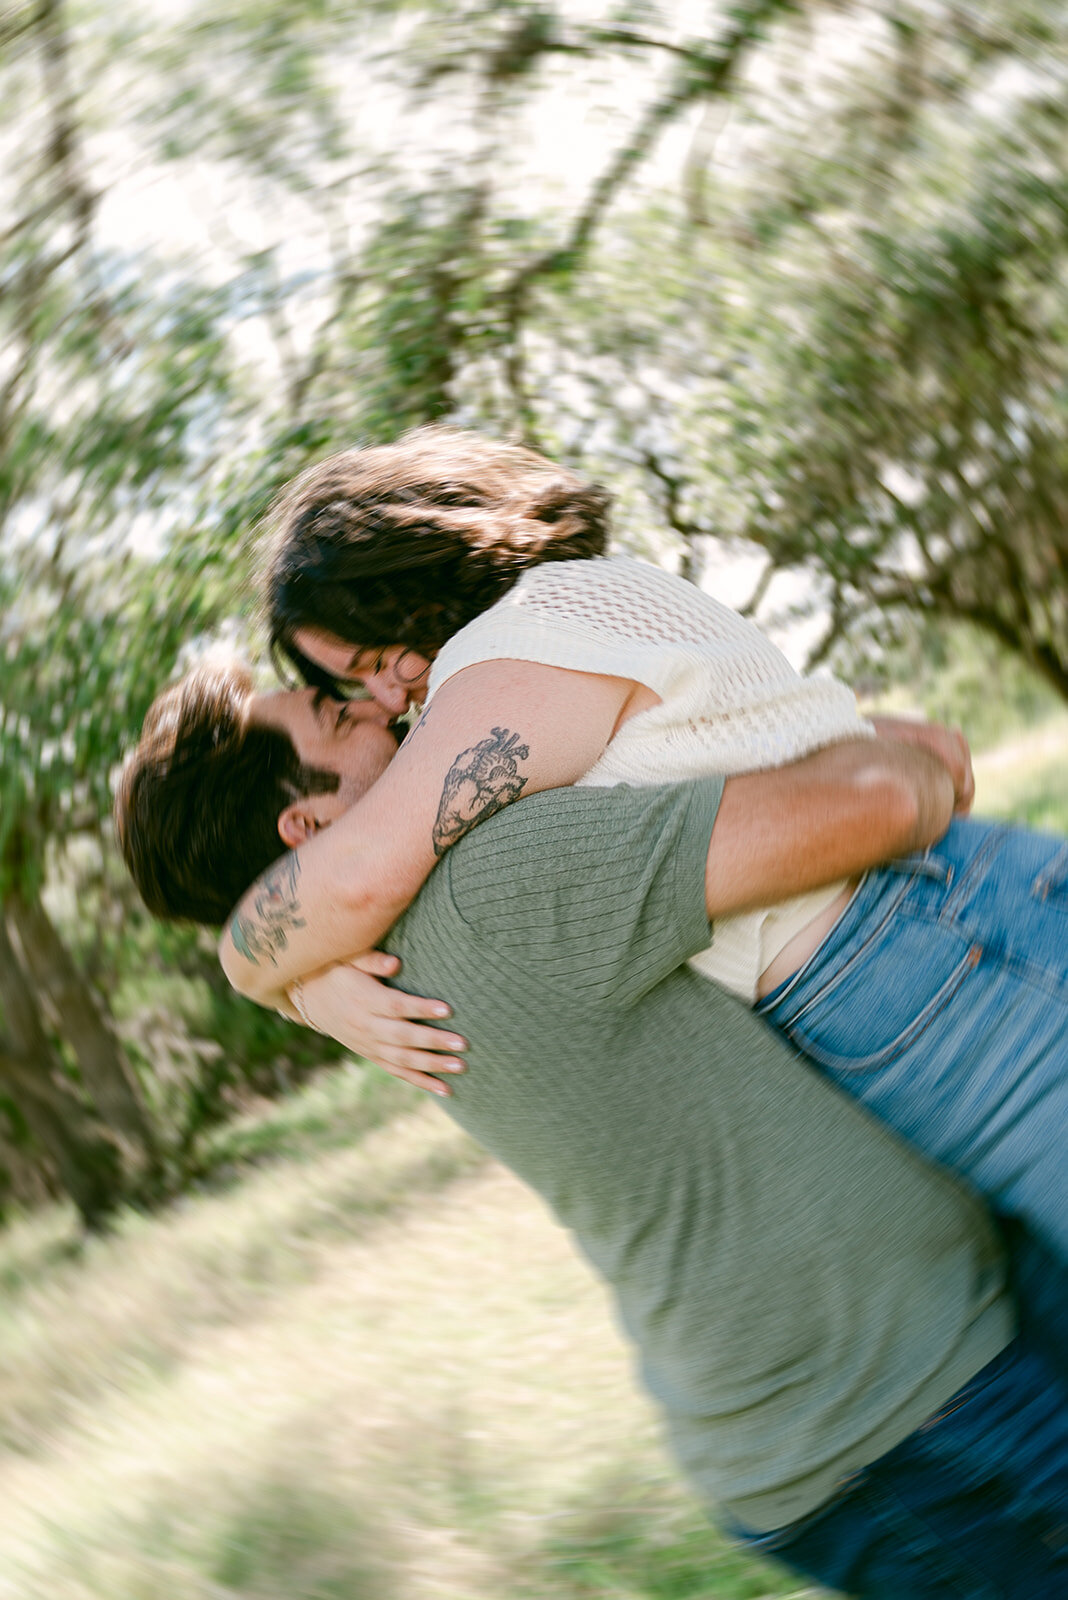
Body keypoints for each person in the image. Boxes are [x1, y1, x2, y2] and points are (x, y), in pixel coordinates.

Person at [116, 661, 1068, 1597]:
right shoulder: (495, 881)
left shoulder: (368, 959)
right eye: (336, 714)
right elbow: (885, 792)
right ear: (309, 825)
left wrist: (274, 969)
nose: (380, 705)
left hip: (921, 1358)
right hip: (891, 1428)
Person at [217, 426, 1068, 1271]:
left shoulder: (516, 645)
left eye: (376, 653)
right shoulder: (534, 642)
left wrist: (257, 972)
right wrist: (308, 981)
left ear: (404, 569)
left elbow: (363, 876)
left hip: (919, 948)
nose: (385, 691)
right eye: (352, 683)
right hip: (892, 966)